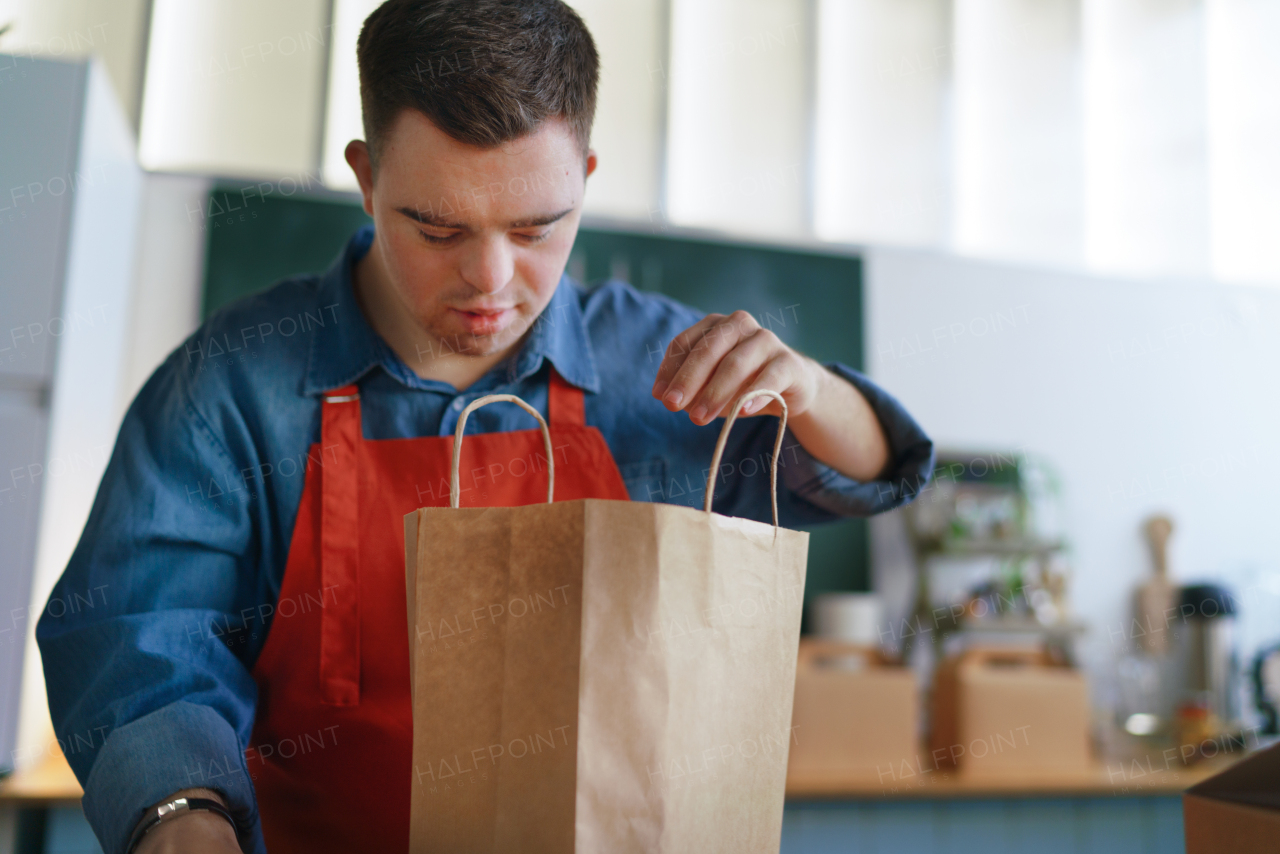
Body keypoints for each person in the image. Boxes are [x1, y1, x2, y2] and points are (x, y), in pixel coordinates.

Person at [37, 1, 933, 852]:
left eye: (539, 228)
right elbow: (138, 639)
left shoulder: (655, 363)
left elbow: (860, 476)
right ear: (365, 178)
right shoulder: (231, 384)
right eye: (436, 230)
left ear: (584, 180)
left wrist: (813, 390)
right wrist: (184, 821)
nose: (491, 280)